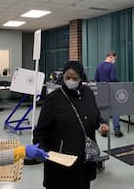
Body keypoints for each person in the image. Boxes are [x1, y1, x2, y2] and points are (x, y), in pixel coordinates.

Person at [33, 61, 109, 189]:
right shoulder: (54, 99)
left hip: (84, 159)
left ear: (81, 78)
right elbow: (40, 130)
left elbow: (95, 116)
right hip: (62, 162)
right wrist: (40, 149)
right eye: (67, 77)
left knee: (83, 184)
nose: (71, 81)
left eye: (75, 78)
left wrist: (101, 126)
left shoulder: (88, 93)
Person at [95, 51, 123, 137]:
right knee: (115, 110)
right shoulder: (112, 66)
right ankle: (117, 131)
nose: (115, 60)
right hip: (111, 89)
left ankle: (105, 130)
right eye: (115, 58)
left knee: (104, 111)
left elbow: (96, 78)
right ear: (111, 57)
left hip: (102, 90)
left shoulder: (99, 65)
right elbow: (113, 78)